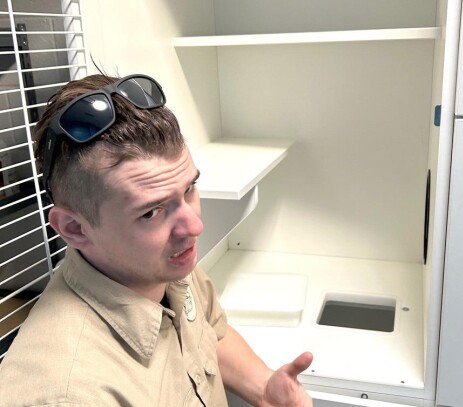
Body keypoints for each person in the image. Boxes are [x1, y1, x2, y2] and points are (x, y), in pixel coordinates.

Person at [0, 74, 313, 406]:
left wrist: (262, 387)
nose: (193, 226)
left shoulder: (160, 266)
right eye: (151, 213)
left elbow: (208, 332)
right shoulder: (69, 393)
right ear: (74, 229)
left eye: (189, 189)